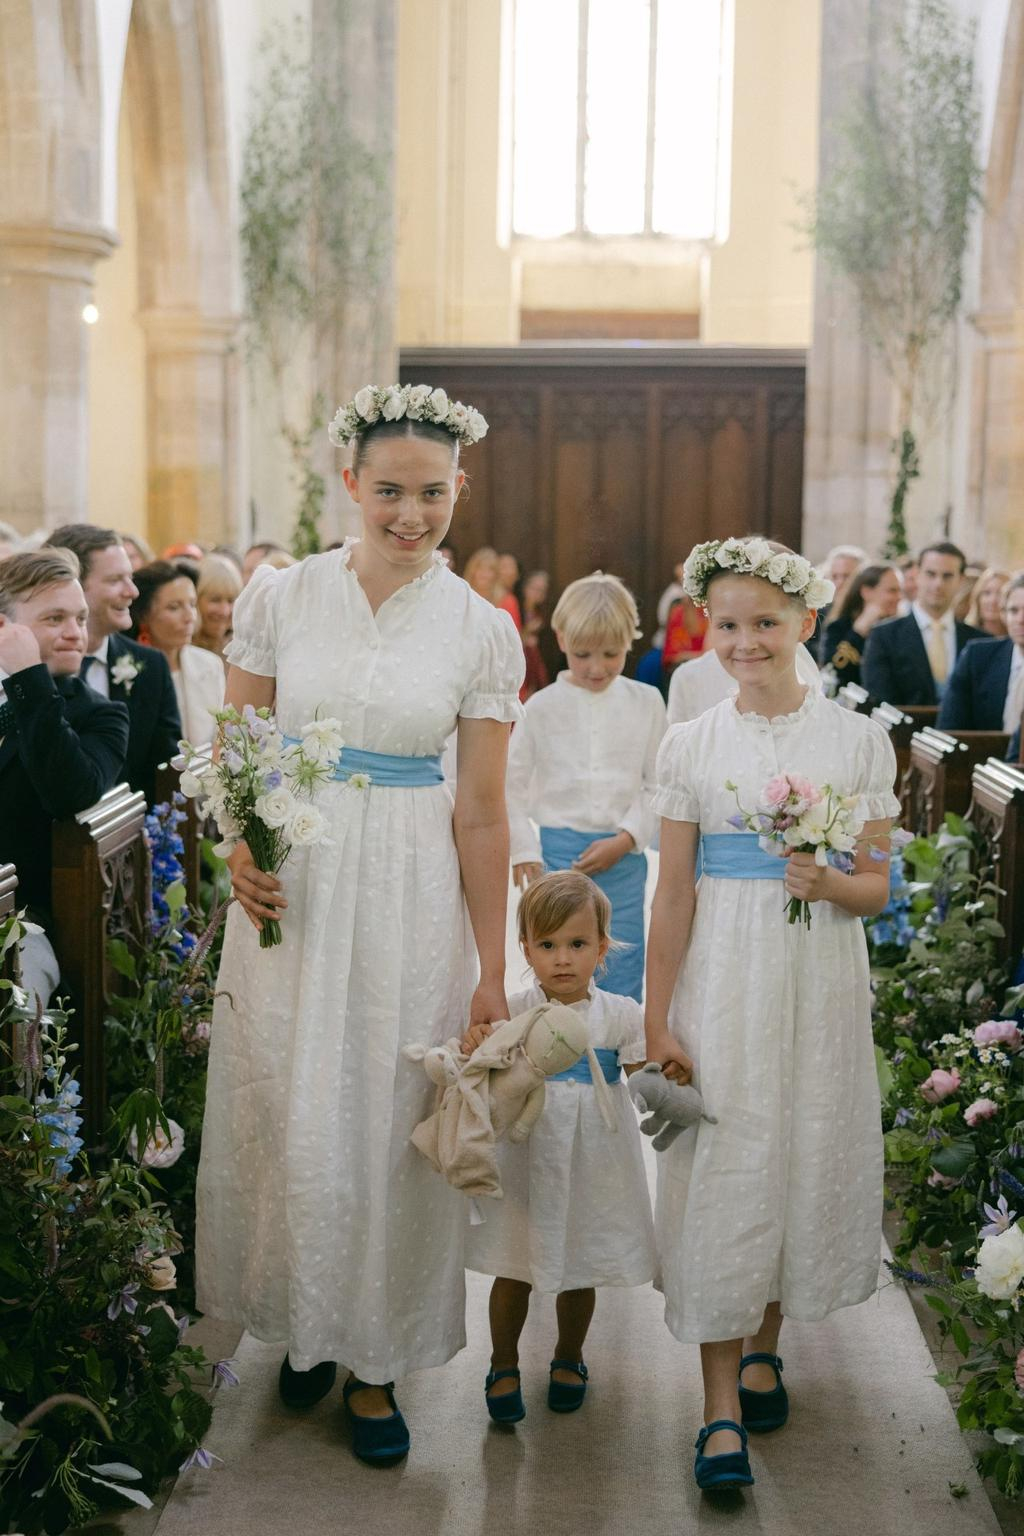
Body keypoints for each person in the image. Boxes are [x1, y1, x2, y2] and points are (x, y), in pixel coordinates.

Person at [195, 382, 524, 1468]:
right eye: (388, 490)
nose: (409, 515)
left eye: (431, 494)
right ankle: (301, 1313)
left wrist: (491, 970)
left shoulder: (480, 630)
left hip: (408, 891)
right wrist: (242, 849)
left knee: (388, 1113)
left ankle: (375, 1359)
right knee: (289, 1099)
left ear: (458, 489)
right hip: (296, 878)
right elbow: (237, 753)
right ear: (349, 483)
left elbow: (480, 809)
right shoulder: (282, 599)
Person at [644, 537, 897, 1491]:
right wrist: (658, 1019)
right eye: (728, 624)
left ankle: (764, 1344)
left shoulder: (855, 741)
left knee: (795, 1148)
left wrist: (829, 879)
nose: (745, 641)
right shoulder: (691, 743)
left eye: (766, 623)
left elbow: (876, 889)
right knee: (727, 1161)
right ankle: (716, 1413)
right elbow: (672, 897)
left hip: (816, 982)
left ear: (805, 623)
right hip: (722, 979)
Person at [466, 870, 656, 1424]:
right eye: (547, 945)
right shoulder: (517, 1007)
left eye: (577, 944)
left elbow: (641, 1074)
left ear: (601, 947)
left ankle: (569, 1355)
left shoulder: (619, 1012)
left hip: (595, 1152)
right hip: (529, 1150)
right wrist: (479, 1042)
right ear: (525, 947)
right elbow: (488, 1061)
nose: (562, 959)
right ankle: (503, 1362)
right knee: (515, 1263)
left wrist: (664, 1085)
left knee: (582, 1261)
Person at [508, 572, 666, 1002]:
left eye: (611, 654)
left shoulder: (647, 703)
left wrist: (627, 837)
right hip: (559, 857)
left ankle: (618, 1061)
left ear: (630, 640)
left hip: (623, 859)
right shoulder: (539, 708)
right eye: (583, 654)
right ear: (559, 638)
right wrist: (524, 850)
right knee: (561, 968)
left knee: (622, 960)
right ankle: (563, 1066)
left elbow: (658, 783)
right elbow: (511, 786)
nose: (597, 668)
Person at [0, 550, 129, 1003]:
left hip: (23, 921)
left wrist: (29, 679)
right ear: (4, 627)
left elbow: (68, 794)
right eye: (55, 619)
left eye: (79, 618)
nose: (76, 633)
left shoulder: (102, 716)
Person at [43, 524, 182, 805]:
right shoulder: (32, 669)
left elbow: (165, 772)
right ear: (74, 585)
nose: (132, 591)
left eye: (130, 577)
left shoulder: (151, 666)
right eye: (116, 580)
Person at [862, 541, 985, 707]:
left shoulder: (979, 640)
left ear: (961, 580)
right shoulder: (884, 636)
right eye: (930, 574)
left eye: (947, 576)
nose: (938, 584)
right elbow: (879, 700)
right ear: (917, 575)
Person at [130, 561, 224, 747]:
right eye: (174, 607)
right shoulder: (129, 668)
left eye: (192, 604)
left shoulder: (209, 664)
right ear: (144, 615)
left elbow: (220, 734)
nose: (189, 617)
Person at [938, 573, 1024, 733]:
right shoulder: (977, 657)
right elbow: (949, 727)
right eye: (1014, 610)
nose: (1020, 619)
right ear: (1004, 614)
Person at [817, 562, 903, 689]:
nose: (899, 597)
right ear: (866, 592)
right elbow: (832, 672)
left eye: (899, 590)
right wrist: (858, 632)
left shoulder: (901, 630)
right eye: (892, 591)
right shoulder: (838, 628)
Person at [193, 553, 243, 665]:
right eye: (215, 600)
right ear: (195, 600)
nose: (224, 611)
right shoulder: (177, 651)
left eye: (230, 601)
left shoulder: (242, 653)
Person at [519, 568, 552, 700]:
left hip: (534, 673)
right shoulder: (516, 608)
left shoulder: (542, 614)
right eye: (534, 588)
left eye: (541, 590)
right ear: (526, 587)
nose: (537, 593)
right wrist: (527, 631)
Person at [964, 567, 1011, 637]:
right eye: (987, 593)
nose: (993, 600)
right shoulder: (963, 634)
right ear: (977, 598)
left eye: (1000, 594)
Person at [495, 552, 522, 630]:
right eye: (504, 567)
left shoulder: (512, 598)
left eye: (512, 567)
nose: (509, 572)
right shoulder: (508, 600)